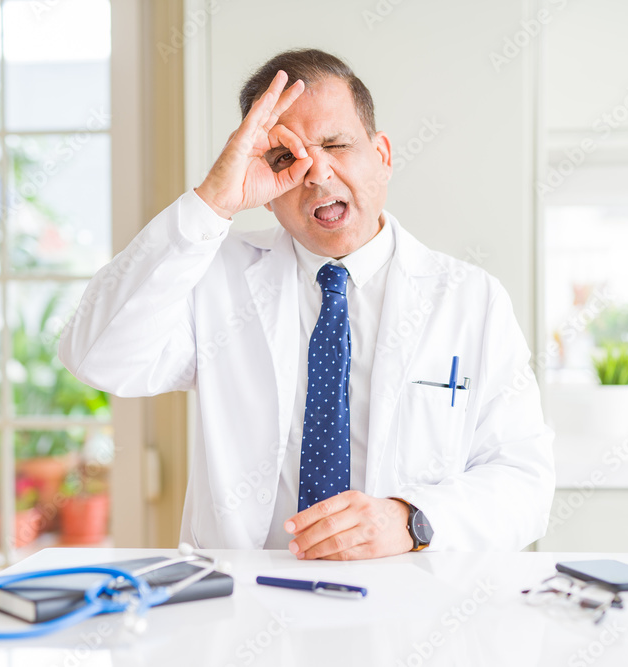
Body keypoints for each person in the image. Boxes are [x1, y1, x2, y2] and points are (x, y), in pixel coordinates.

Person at [58, 49, 554, 560]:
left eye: (337, 145)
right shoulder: (212, 274)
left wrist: (412, 520)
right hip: (243, 592)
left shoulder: (472, 300)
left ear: (383, 155)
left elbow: (525, 481)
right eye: (284, 160)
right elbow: (97, 358)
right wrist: (212, 201)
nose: (316, 174)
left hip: (404, 590)